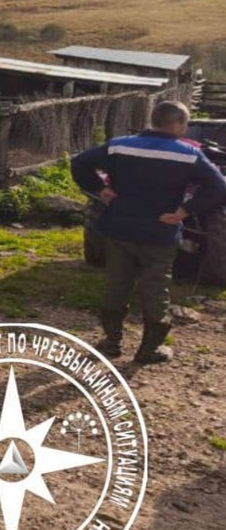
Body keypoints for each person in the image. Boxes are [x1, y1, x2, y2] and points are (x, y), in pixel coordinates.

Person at [70, 100, 226, 364]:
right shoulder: (187, 154)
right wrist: (186, 211)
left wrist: (100, 189)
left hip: (119, 228)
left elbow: (80, 163)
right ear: (178, 124)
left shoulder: (120, 145)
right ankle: (149, 349)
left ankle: (111, 341)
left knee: (117, 283)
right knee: (155, 287)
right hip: (160, 233)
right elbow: (218, 186)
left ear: (154, 120)